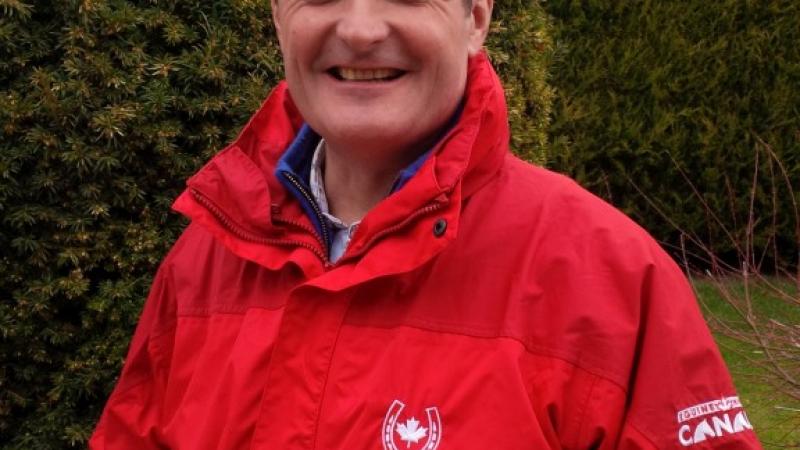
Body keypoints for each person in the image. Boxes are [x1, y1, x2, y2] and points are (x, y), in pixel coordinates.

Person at [91, 0, 762, 448]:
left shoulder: (611, 281)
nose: (358, 29)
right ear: (277, 16)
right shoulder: (202, 262)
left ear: (475, 16)